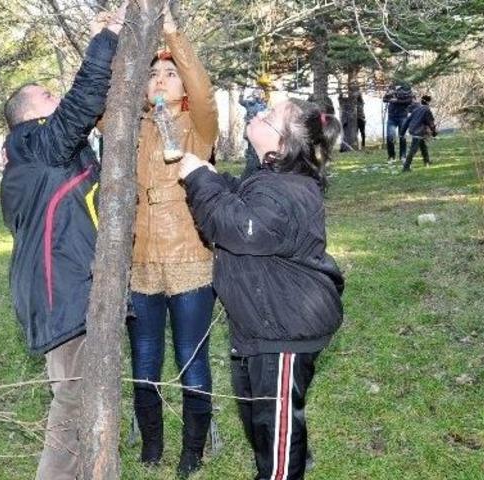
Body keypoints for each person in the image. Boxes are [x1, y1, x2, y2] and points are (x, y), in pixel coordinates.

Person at [177, 98, 345, 480]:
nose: (257, 114)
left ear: (281, 145)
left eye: (268, 117)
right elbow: (241, 200)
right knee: (262, 418)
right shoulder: (272, 182)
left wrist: (200, 179)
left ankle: (282, 471)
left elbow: (237, 227)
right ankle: (276, 468)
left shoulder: (285, 191)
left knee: (277, 424)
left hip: (286, 328)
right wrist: (214, 177)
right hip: (262, 323)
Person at [0, 4, 126, 479]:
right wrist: (108, 37)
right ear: (29, 115)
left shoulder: (38, 157)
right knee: (72, 407)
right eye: (47, 94)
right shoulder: (34, 145)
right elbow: (80, 105)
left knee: (88, 403)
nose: (58, 96)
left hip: (66, 288)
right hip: (64, 295)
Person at [128, 6, 218, 478]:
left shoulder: (198, 128)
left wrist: (172, 38)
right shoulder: (130, 127)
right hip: (140, 263)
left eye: (170, 73)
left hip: (189, 261)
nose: (161, 80)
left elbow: (204, 94)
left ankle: (192, 451)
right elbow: (99, 108)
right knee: (144, 363)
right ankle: (151, 446)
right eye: (153, 73)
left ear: (183, 84)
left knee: (191, 360)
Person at [401, 94, 438, 171]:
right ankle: (406, 167)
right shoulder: (427, 110)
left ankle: (427, 161)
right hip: (418, 131)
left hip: (413, 129)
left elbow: (407, 121)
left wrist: (402, 132)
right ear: (428, 102)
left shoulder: (416, 109)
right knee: (413, 149)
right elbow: (430, 122)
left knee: (423, 145)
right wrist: (434, 132)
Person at [382, 83, 415, 162]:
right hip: (391, 117)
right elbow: (384, 99)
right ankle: (391, 156)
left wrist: (397, 101)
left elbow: (410, 101)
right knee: (390, 137)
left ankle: (403, 156)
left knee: (402, 137)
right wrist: (389, 97)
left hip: (402, 116)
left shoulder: (406, 88)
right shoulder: (391, 87)